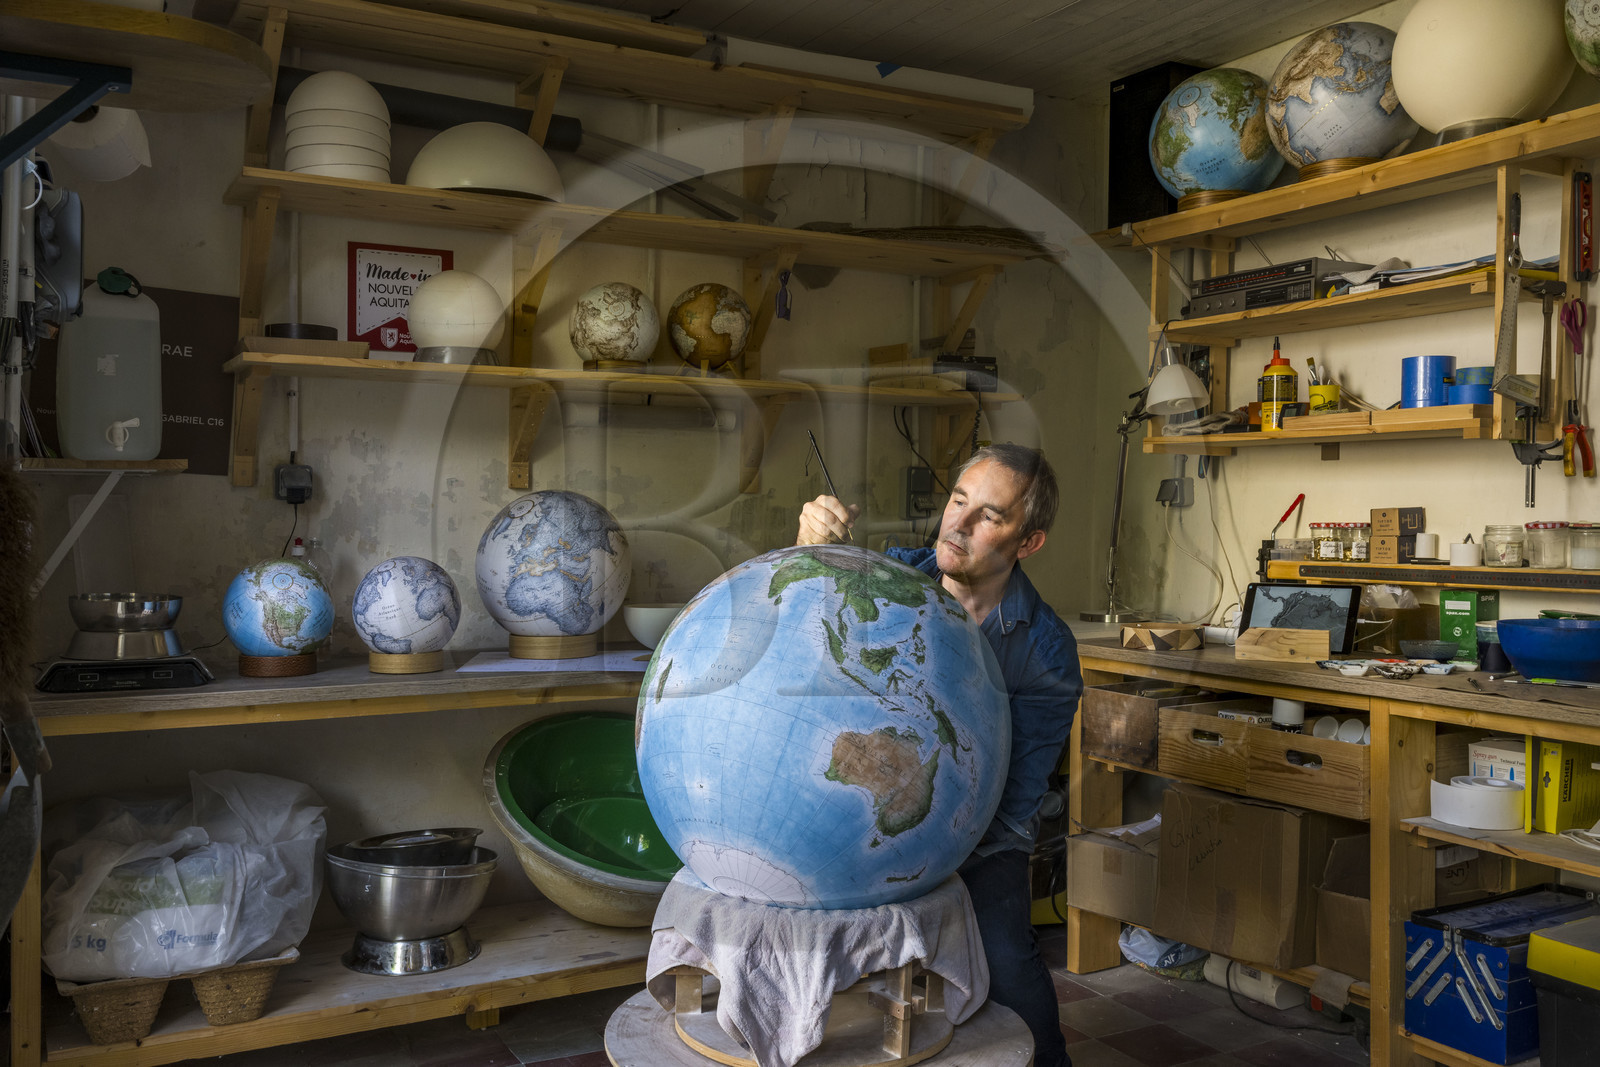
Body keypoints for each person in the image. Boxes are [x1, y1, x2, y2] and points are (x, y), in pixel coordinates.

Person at [796, 442, 1083, 1067]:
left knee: (1008, 961)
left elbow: (1016, 804)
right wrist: (809, 549)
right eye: (958, 500)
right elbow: (800, 630)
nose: (958, 523)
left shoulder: (1048, 650)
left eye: (989, 516)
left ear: (1027, 542)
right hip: (862, 806)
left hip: (977, 839)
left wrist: (927, 859)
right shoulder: (892, 580)